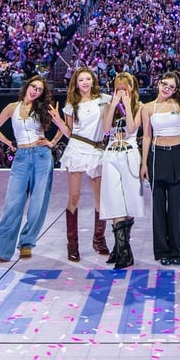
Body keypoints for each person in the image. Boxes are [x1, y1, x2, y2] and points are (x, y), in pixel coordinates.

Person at [0, 76, 70, 264]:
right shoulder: (12, 107)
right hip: (21, 157)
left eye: (39, 89)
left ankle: (27, 242)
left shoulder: (43, 108)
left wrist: (53, 142)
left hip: (42, 156)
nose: (35, 91)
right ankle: (1, 249)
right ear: (27, 86)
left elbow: (64, 127)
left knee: (38, 203)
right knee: (12, 204)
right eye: (33, 86)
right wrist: (10, 143)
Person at [57, 67, 111, 262]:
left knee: (99, 200)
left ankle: (99, 239)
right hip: (77, 150)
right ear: (76, 83)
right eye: (81, 80)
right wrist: (57, 121)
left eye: (88, 79)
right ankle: (72, 245)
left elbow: (110, 123)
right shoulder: (71, 104)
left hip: (97, 150)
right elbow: (69, 132)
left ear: (93, 80)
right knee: (74, 196)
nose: (85, 82)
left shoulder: (104, 99)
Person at [140, 71, 180, 266]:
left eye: (171, 87)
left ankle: (177, 251)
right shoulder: (147, 108)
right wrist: (144, 163)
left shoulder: (179, 106)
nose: (166, 89)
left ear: (176, 90)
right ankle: (162, 250)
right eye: (164, 84)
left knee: (175, 207)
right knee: (158, 206)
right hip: (157, 156)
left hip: (177, 156)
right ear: (158, 83)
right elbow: (147, 136)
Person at [99, 72, 143, 269]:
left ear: (132, 88)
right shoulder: (108, 106)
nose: (121, 91)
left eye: (125, 88)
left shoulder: (140, 107)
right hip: (111, 154)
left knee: (129, 201)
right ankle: (123, 250)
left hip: (130, 153)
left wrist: (127, 106)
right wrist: (114, 104)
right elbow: (105, 129)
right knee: (114, 199)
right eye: (118, 88)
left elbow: (132, 128)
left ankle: (120, 249)